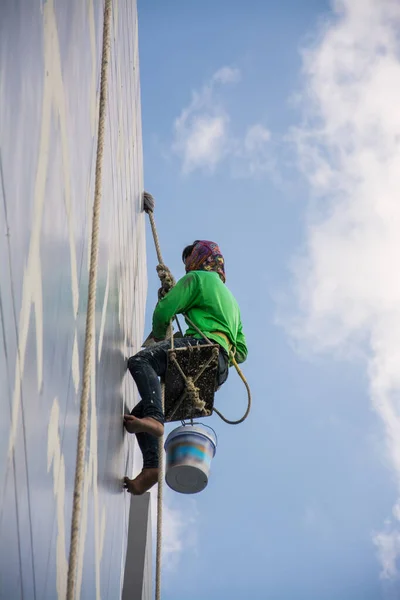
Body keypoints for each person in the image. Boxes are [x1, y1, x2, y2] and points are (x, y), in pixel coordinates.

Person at [123, 240, 248, 495]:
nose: (187, 266)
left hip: (201, 347)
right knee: (143, 408)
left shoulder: (198, 278)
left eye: (189, 259)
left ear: (200, 258)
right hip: (217, 369)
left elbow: (164, 312)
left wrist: (161, 335)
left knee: (141, 361)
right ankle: (151, 469)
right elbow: (242, 352)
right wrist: (223, 345)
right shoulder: (232, 303)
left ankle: (155, 420)